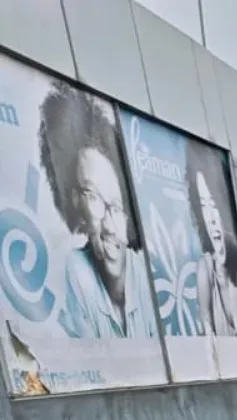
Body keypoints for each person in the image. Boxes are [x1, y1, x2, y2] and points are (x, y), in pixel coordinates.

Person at [38, 83, 156, 341]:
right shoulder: (74, 270)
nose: (109, 226)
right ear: (76, 205)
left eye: (115, 206)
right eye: (93, 198)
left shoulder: (149, 277)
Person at [186, 146, 237, 338]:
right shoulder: (206, 268)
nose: (211, 218)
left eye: (214, 205)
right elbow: (206, 327)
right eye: (203, 206)